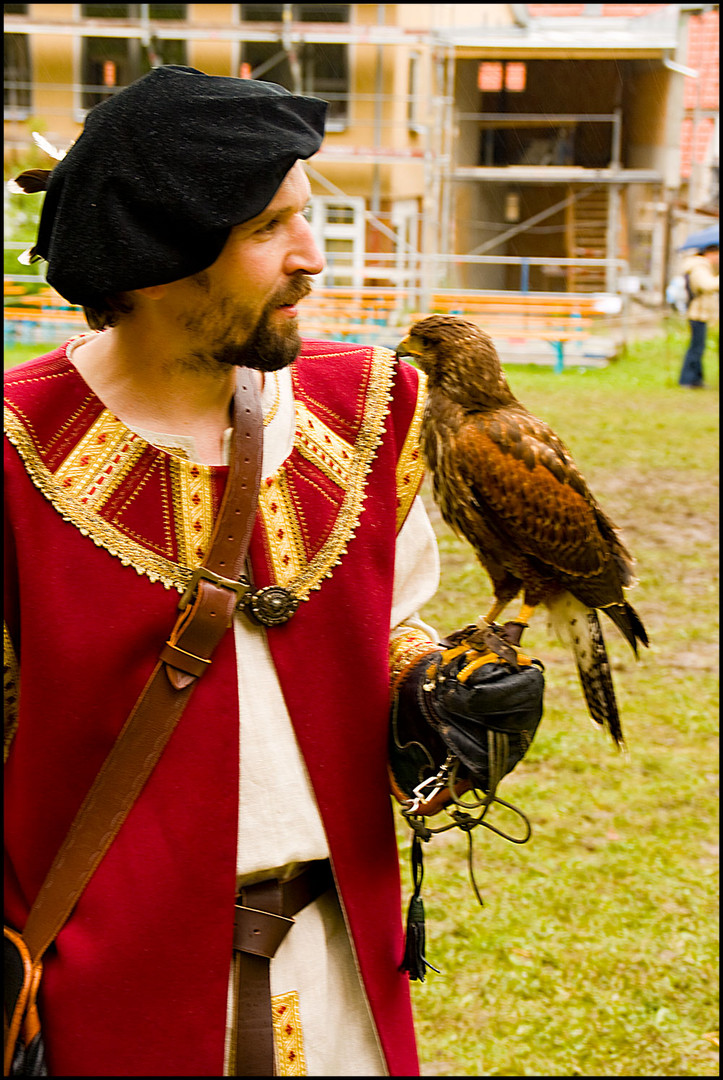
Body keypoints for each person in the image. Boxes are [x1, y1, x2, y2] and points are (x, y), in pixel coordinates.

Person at [4, 66, 543, 1078]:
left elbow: (392, 624)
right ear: (156, 255)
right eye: (267, 230)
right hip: (106, 998)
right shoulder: (13, 451)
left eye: (308, 214)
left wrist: (435, 695)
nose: (312, 259)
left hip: (339, 970)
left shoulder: (369, 411)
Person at [678, 242, 719, 388]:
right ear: (710, 254)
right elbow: (706, 285)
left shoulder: (701, 266)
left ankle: (696, 379)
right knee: (696, 347)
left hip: (700, 312)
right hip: (697, 313)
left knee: (698, 347)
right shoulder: (699, 267)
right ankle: (687, 379)